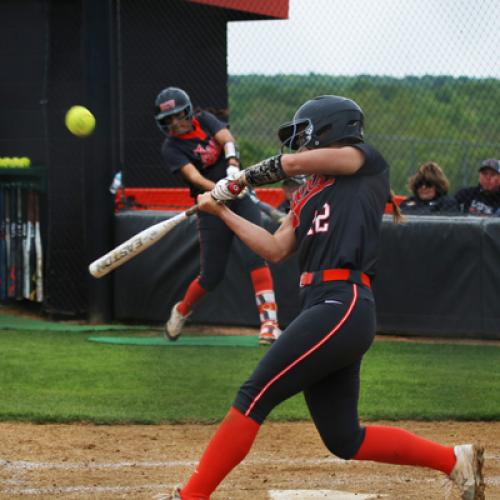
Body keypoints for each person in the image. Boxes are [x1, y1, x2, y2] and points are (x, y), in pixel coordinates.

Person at [161, 95, 484, 500]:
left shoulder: (362, 159)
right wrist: (222, 211)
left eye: (305, 135)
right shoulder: (307, 196)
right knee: (343, 438)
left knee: (253, 395)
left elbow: (291, 165)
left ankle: (192, 495)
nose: (299, 146)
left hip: (342, 301)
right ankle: (456, 461)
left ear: (330, 128)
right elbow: (275, 248)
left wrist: (238, 180)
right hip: (320, 305)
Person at [155, 87, 282, 345]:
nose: (175, 123)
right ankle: (181, 310)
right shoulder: (171, 147)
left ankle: (270, 323)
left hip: (239, 192)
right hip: (209, 204)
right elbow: (194, 177)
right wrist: (221, 190)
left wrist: (233, 167)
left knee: (255, 256)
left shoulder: (204, 120)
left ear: (188, 112)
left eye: (178, 116)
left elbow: (227, 139)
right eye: (168, 120)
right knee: (211, 276)